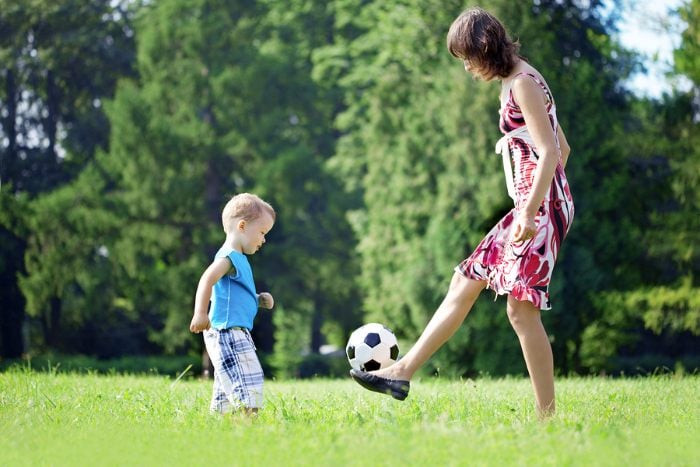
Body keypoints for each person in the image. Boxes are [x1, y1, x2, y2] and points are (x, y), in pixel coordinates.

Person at [350, 7, 574, 418]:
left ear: (486, 49)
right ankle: (402, 371)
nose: (468, 69)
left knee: (521, 310)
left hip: (540, 206)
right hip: (536, 202)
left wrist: (530, 211)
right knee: (466, 278)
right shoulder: (517, 81)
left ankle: (548, 417)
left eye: (469, 59)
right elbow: (564, 147)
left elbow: (549, 153)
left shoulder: (523, 82)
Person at [190, 192, 276, 416]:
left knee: (228, 387)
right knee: (248, 380)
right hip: (227, 332)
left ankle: (224, 425)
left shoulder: (239, 259)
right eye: (262, 232)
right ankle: (247, 428)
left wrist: (257, 300)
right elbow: (207, 279)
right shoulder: (228, 257)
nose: (264, 240)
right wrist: (200, 313)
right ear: (242, 226)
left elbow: (235, 297)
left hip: (235, 331)